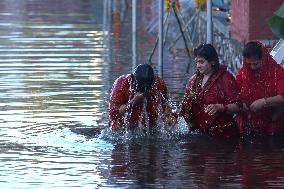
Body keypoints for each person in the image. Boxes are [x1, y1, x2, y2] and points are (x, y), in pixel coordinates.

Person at [179, 44, 240, 138]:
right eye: (196, 62)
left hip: (223, 136)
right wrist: (174, 115)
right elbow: (185, 104)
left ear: (212, 62)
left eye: (201, 62)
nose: (198, 66)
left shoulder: (226, 78)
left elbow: (239, 106)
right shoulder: (194, 80)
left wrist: (221, 107)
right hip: (199, 134)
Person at [108, 63, 176, 132]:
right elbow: (113, 114)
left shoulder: (158, 83)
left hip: (150, 124)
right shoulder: (121, 84)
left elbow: (165, 104)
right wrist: (133, 102)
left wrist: (168, 116)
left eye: (147, 89)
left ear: (154, 80)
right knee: (117, 125)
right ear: (132, 79)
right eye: (140, 89)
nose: (143, 92)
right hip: (124, 127)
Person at [236, 41, 284, 135]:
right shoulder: (243, 73)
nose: (252, 67)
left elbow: (282, 97)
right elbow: (234, 92)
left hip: (274, 125)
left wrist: (263, 102)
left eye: (256, 64)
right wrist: (242, 103)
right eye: (249, 64)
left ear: (264, 59)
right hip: (248, 126)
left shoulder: (278, 72)